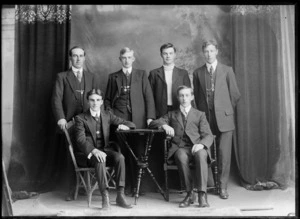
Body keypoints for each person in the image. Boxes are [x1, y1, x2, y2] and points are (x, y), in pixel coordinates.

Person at [149, 86, 213, 208]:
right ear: (178, 97)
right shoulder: (172, 114)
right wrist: (164, 125)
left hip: (197, 147)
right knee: (180, 156)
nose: (184, 98)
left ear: (192, 97)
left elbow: (208, 135)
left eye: (187, 95)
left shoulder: (200, 115)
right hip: (180, 147)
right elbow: (153, 123)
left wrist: (201, 145)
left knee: (201, 155)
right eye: (181, 95)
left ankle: (201, 194)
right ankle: (189, 193)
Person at [193, 39, 241, 199]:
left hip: (224, 119)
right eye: (206, 51)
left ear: (217, 51)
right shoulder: (197, 73)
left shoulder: (227, 70)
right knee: (205, 152)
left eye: (212, 51)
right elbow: (198, 99)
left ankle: (223, 187)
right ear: (203, 53)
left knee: (223, 154)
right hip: (206, 119)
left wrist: (224, 111)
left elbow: (235, 95)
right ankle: (209, 185)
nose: (209, 54)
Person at [104, 47, 156, 195]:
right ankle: (125, 186)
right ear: (120, 59)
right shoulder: (113, 77)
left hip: (138, 122)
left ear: (133, 59)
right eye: (124, 58)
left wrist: (149, 117)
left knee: (138, 153)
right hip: (120, 122)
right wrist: (113, 119)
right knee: (123, 154)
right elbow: (107, 101)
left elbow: (149, 98)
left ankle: (137, 186)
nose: (126, 60)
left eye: (129, 57)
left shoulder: (141, 74)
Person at [51, 46, 99, 201]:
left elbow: (96, 99)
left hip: (88, 122)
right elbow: (56, 99)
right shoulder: (62, 76)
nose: (78, 59)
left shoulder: (91, 76)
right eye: (75, 56)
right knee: (71, 155)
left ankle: (88, 187)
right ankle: (72, 189)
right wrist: (61, 118)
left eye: (81, 56)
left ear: (84, 57)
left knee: (89, 150)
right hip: (69, 123)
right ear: (70, 58)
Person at [74, 89, 135, 210]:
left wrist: (125, 126)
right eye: (92, 100)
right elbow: (80, 140)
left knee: (120, 157)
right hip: (88, 154)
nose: (95, 103)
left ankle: (120, 195)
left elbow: (130, 124)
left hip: (105, 150)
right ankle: (105, 196)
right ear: (88, 101)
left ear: (102, 102)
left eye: (97, 100)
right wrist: (94, 151)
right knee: (100, 159)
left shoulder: (107, 115)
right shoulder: (80, 118)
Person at [149, 43, 191, 118]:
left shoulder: (183, 73)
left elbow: (188, 95)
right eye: (165, 53)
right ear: (161, 55)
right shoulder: (154, 74)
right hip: (160, 112)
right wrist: (150, 116)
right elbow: (149, 97)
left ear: (174, 55)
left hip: (179, 111)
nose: (168, 56)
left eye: (170, 53)